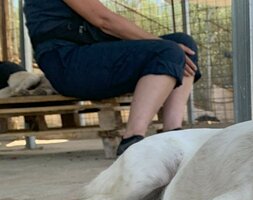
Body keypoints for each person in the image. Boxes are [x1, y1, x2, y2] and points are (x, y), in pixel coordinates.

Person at [23, 0, 201, 155]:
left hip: (91, 54)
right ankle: (132, 141)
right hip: (68, 63)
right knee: (170, 50)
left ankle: (172, 134)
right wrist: (163, 45)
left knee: (184, 43)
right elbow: (104, 21)